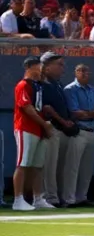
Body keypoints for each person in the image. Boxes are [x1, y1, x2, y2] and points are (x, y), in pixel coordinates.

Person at [10, 56, 53, 211]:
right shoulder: (23, 85)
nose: (41, 69)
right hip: (26, 127)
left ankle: (38, 198)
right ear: (30, 67)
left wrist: (45, 125)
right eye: (39, 66)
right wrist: (44, 125)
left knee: (37, 165)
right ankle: (18, 199)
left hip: (38, 129)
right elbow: (27, 108)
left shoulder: (38, 86)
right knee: (23, 164)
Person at [38, 52, 77, 208]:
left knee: (59, 167)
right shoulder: (42, 85)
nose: (63, 68)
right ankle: (49, 198)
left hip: (62, 130)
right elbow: (46, 109)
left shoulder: (58, 84)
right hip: (51, 128)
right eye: (59, 64)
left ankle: (58, 197)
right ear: (47, 67)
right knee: (49, 166)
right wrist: (62, 121)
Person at [63, 63, 94, 207]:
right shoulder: (70, 89)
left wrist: (88, 113)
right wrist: (93, 113)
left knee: (87, 168)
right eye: (81, 71)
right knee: (72, 166)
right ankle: (69, 198)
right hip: (78, 130)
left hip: (92, 130)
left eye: (87, 71)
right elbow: (75, 112)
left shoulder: (93, 90)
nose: (85, 73)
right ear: (76, 72)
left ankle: (82, 197)